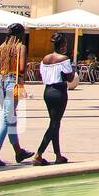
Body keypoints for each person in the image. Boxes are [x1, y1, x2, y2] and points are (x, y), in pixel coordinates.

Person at [0, 23, 33, 167]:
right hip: (12, 83)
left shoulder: (0, 49)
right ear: (20, 34)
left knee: (10, 118)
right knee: (6, 119)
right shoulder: (20, 47)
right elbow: (21, 69)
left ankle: (18, 151)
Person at [33, 33, 76, 166]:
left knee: (54, 123)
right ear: (63, 46)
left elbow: (42, 76)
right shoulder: (64, 59)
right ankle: (38, 154)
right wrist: (73, 70)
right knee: (54, 124)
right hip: (59, 91)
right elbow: (70, 78)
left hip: (47, 91)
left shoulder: (45, 59)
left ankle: (58, 155)